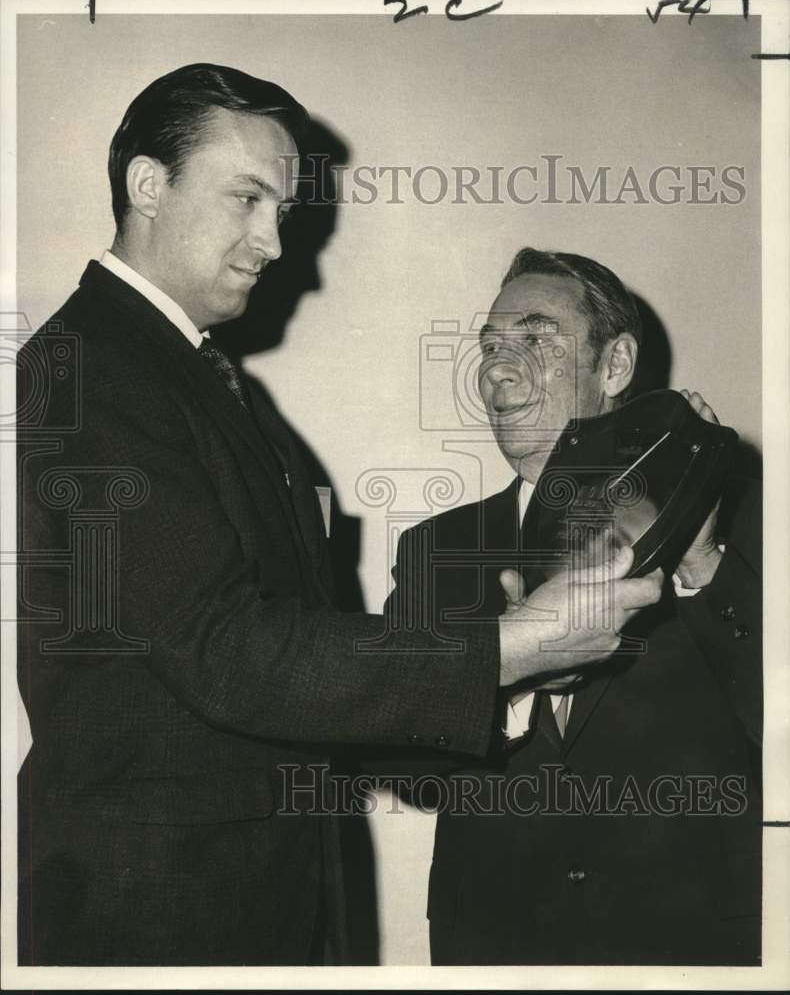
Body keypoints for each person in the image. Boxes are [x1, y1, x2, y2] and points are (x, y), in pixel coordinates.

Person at [15, 67, 662, 967]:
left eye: (280, 208)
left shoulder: (187, 376)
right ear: (148, 185)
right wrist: (510, 645)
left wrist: (508, 688)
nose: (273, 241)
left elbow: (288, 669)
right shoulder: (93, 366)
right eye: (247, 198)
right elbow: (230, 652)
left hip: (238, 901)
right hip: (161, 914)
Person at [384, 248, 762, 965]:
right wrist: (513, 676)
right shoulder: (436, 550)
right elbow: (403, 762)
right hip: (497, 946)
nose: (499, 371)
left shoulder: (745, 524)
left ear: (614, 366)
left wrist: (698, 554)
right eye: (491, 348)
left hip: (686, 949)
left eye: (534, 342)